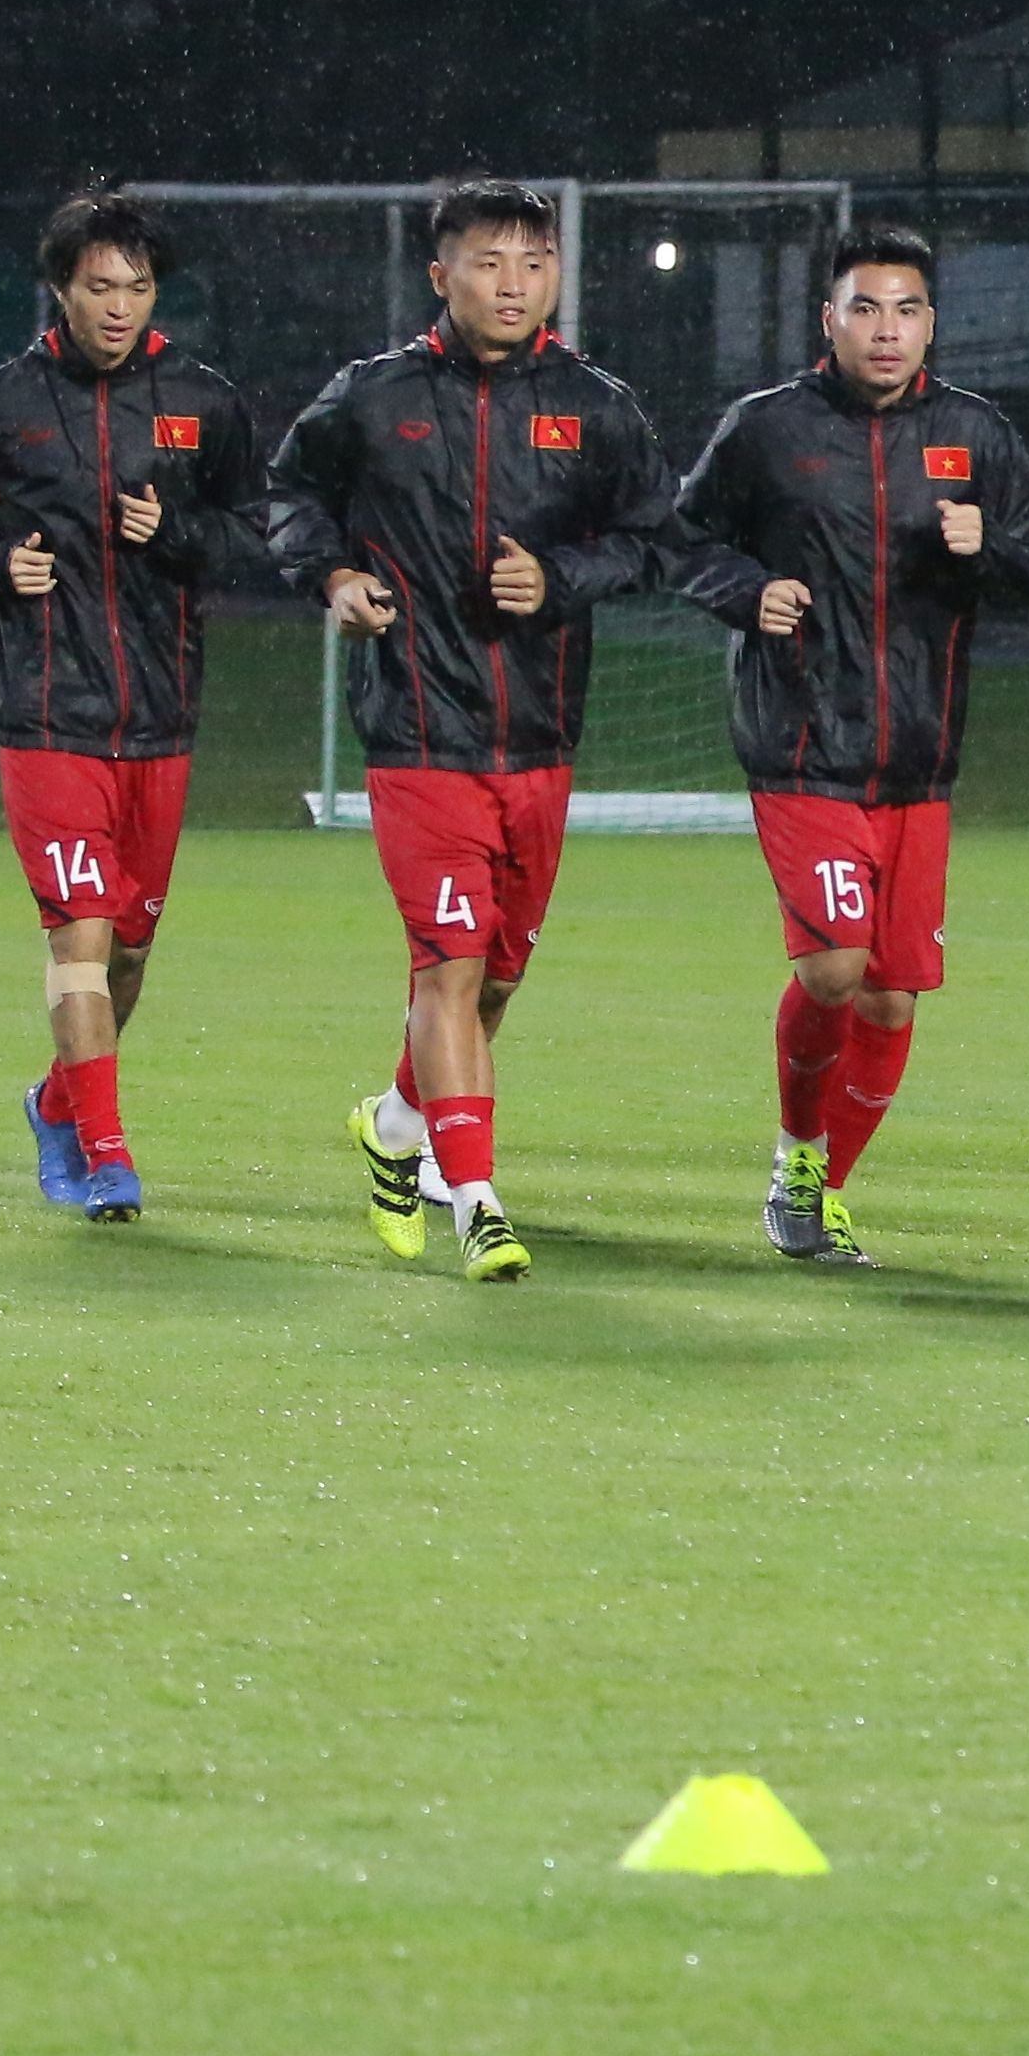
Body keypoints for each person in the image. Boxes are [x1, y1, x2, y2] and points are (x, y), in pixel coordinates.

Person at [261, 178, 680, 1283]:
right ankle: (477, 1200)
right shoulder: (372, 396)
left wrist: (562, 575)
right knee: (446, 963)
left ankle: (397, 1127)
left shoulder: (594, 405)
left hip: (538, 739)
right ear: (441, 274)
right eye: (490, 263)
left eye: (533, 262)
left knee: (493, 978)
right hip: (415, 730)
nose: (514, 283)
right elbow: (288, 497)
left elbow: (655, 539)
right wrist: (335, 574)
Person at [676, 224, 1029, 1268]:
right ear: (828, 319)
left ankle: (823, 1190)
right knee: (837, 965)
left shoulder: (975, 435)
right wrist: (749, 592)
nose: (887, 330)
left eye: (907, 310)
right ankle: (798, 1155)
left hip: (919, 759)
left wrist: (992, 552)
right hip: (799, 743)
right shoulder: (767, 429)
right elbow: (681, 538)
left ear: (932, 323)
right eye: (866, 308)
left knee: (890, 991)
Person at [0, 189, 268, 1217]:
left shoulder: (205, 399)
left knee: (132, 953)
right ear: (59, 289)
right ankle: (106, 1155)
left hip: (161, 717)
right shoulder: (1, 402)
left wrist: (181, 534)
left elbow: (259, 532)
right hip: (47, 716)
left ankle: (55, 1103)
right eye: (99, 286)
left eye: (138, 287)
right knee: (82, 933)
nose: (120, 307)